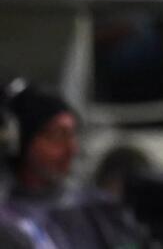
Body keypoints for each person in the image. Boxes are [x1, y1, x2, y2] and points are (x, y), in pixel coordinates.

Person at [0, 82, 153, 248]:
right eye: (57, 136)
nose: (71, 149)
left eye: (73, 135)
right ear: (18, 144)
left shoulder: (98, 209)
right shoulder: (9, 221)